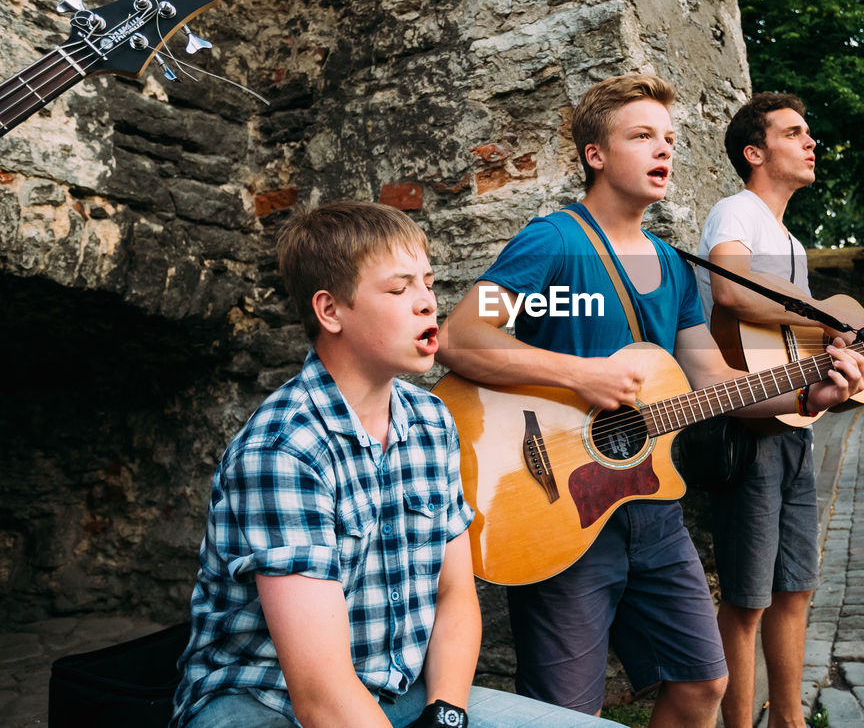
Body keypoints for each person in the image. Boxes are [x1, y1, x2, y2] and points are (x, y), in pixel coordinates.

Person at [436, 75, 864, 728]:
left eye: (668, 138)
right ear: (596, 155)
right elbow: (460, 336)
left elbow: (714, 382)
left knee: (703, 683)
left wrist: (809, 392)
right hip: (562, 510)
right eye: (641, 136)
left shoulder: (672, 266)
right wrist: (580, 375)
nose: (662, 150)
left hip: (654, 512)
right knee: (564, 714)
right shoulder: (554, 243)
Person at [171, 201, 622, 728]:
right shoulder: (283, 450)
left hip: (400, 694)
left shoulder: (432, 421)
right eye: (399, 288)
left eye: (428, 284)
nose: (427, 303)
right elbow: (321, 697)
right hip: (268, 704)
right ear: (330, 311)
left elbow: (455, 595)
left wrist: (447, 713)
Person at [697, 93, 864, 728]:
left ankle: (788, 720)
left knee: (795, 587)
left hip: (793, 428)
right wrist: (832, 317)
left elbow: (814, 346)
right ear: (755, 152)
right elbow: (731, 287)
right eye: (794, 132)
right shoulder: (738, 212)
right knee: (749, 598)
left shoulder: (792, 243)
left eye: (809, 132)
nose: (811, 142)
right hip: (747, 425)